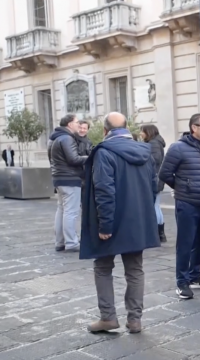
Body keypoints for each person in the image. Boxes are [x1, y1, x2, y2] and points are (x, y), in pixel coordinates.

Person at [80, 112, 160, 334]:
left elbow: (104, 191)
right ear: (127, 128)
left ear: (105, 131)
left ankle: (108, 318)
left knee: (103, 267)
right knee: (135, 270)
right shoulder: (145, 151)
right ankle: (135, 320)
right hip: (137, 220)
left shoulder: (104, 153)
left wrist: (105, 226)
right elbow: (154, 186)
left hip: (112, 221)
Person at [159, 114, 200, 300]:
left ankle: (195, 276)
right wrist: (183, 187)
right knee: (185, 243)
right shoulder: (178, 148)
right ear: (194, 128)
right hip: (187, 203)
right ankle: (182, 282)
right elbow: (165, 173)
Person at [48, 114, 88, 252]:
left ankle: (60, 242)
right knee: (71, 211)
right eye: (77, 122)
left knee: (62, 210)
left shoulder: (55, 138)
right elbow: (73, 159)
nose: (79, 125)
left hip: (59, 178)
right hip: (70, 178)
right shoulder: (67, 138)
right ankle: (71, 242)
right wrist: (90, 157)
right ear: (70, 124)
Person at [141, 124, 167, 243]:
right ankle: (160, 233)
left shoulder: (153, 144)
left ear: (148, 132)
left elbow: (155, 161)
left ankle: (157, 233)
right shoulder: (156, 142)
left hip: (154, 179)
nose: (141, 134)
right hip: (157, 179)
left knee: (154, 206)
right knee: (156, 205)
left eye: (143, 131)